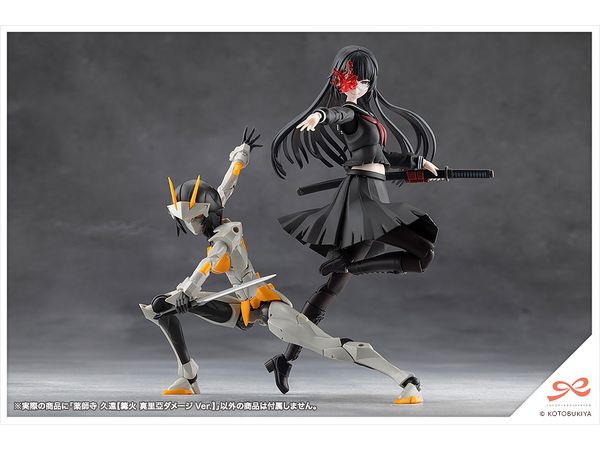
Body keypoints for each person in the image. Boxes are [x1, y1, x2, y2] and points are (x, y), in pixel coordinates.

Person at [139, 129, 423, 404]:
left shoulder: (226, 235)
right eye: (187, 220)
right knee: (160, 306)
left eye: (195, 219)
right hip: (240, 306)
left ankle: (406, 380)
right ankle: (188, 375)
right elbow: (227, 185)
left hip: (266, 307)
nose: (191, 226)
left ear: (207, 214)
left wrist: (188, 291)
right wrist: (241, 155)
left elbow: (208, 263)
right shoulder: (216, 210)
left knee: (329, 347)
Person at [267, 46, 439, 399]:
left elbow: (381, 156)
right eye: (354, 79)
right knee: (422, 253)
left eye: (365, 81)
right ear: (339, 80)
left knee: (333, 286)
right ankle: (349, 264)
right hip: (362, 197)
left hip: (375, 192)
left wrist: (418, 162)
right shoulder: (349, 112)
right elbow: (337, 113)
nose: (360, 86)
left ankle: (286, 359)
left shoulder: (368, 116)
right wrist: (320, 116)